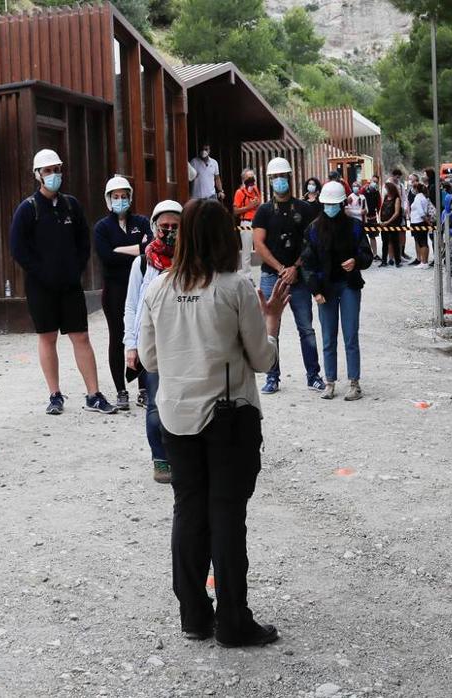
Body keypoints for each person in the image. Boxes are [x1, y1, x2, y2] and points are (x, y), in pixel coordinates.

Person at [137, 197, 288, 648]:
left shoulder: (159, 288)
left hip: (176, 415)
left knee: (188, 511)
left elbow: (148, 357)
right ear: (226, 237)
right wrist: (272, 320)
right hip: (227, 417)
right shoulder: (235, 287)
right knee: (226, 516)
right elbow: (262, 359)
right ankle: (233, 619)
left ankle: (194, 615)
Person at [9, 148, 117, 416]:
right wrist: (42, 273)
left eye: (57, 169)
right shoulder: (28, 209)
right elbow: (18, 248)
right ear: (37, 175)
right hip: (40, 287)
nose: (54, 175)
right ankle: (54, 394)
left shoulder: (71, 205)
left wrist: (76, 269)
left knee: (81, 336)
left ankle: (94, 394)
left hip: (70, 285)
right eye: (48, 171)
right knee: (47, 338)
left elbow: (83, 240)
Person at [252, 157, 325, 396]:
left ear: (290, 178)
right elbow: (259, 244)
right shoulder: (263, 211)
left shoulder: (305, 209)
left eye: (283, 176)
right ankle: (272, 377)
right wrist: (281, 268)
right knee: (271, 329)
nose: (279, 181)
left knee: (306, 327)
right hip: (271, 276)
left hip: (300, 278)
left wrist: (295, 267)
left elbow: (311, 242)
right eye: (275, 177)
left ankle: (313, 376)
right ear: (270, 180)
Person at [124, 199, 182, 483]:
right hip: (153, 344)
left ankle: (184, 455)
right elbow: (132, 306)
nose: (169, 232)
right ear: (154, 228)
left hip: (185, 343)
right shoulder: (143, 263)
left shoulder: (193, 262)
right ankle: (160, 459)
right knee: (156, 404)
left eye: (175, 227)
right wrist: (130, 344)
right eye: (164, 227)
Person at [301, 181, 372, 401]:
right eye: (327, 204)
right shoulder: (313, 229)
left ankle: (354, 383)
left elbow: (367, 255)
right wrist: (315, 291)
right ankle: (329, 382)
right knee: (328, 336)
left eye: (334, 204)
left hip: (349, 284)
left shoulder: (354, 227)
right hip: (325, 288)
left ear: (342, 203)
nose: (330, 208)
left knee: (350, 335)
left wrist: (356, 261)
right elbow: (307, 262)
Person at [93, 175, 148, 411]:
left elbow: (149, 249)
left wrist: (121, 249)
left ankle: (144, 388)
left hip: (140, 287)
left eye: (124, 196)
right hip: (114, 289)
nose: (120, 200)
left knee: (144, 335)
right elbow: (106, 256)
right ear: (108, 200)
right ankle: (120, 390)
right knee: (117, 338)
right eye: (115, 197)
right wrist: (135, 250)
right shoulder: (102, 227)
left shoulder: (143, 222)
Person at [407, 181, 436, 268]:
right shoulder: (423, 197)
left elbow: (421, 212)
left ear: (416, 189)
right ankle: (425, 262)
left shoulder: (418, 198)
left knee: (421, 242)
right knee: (424, 242)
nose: (412, 190)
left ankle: (423, 262)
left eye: (413, 188)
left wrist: (428, 222)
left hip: (418, 222)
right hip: (420, 222)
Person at [378, 180, 404, 267]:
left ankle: (398, 261)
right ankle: (384, 261)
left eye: (386, 188)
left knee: (395, 242)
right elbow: (382, 208)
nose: (384, 189)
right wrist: (381, 221)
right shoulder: (385, 197)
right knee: (384, 243)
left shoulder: (396, 199)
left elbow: (396, 213)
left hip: (393, 224)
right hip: (384, 223)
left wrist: (388, 222)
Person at [363, 177, 382, 261]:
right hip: (363, 218)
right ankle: (365, 254)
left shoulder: (377, 192)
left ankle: (374, 254)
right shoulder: (363, 190)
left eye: (376, 182)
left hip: (373, 218)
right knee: (362, 237)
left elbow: (379, 205)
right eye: (373, 181)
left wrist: (380, 218)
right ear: (370, 181)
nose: (375, 183)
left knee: (373, 236)